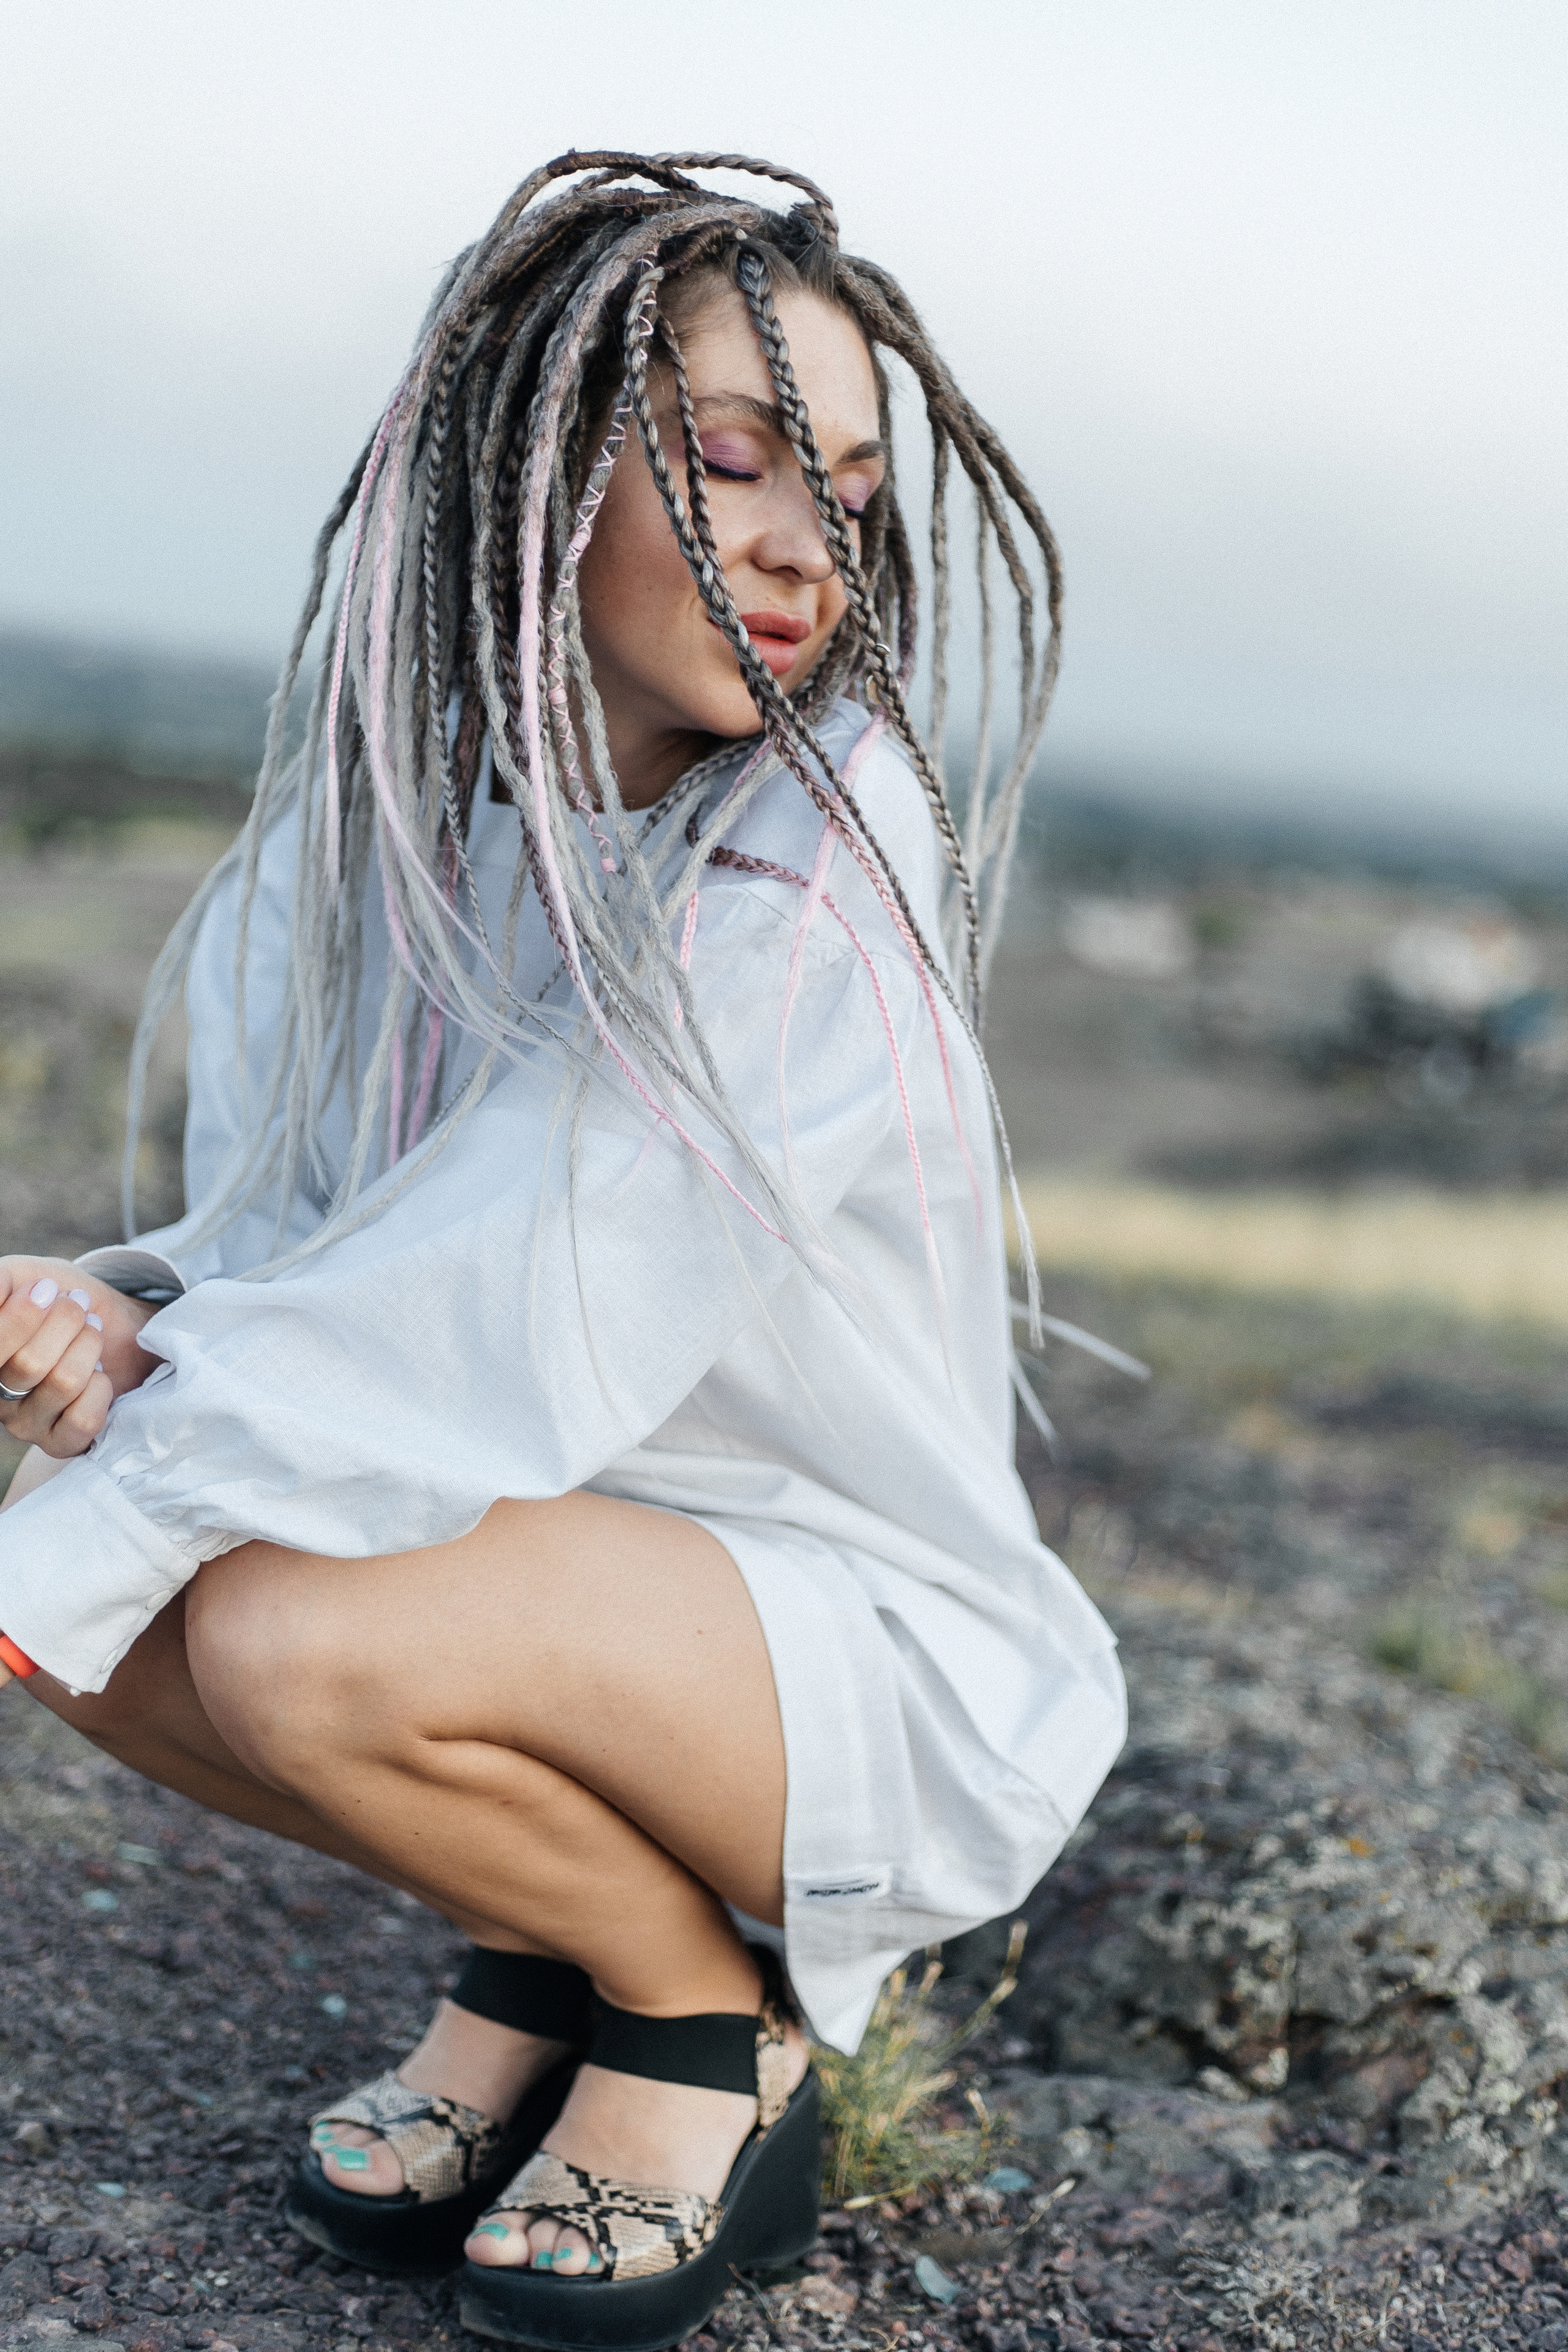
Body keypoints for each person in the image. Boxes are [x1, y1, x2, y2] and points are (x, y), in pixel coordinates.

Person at [0, 152, 1125, 2350]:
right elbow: (319, 1245)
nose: (806, 547)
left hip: (842, 1646)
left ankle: (700, 2018)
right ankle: (549, 1944)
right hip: (544, 1574)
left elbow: (524, 1292)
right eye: (734, 458)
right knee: (111, 1544)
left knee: (275, 1626)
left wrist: (119, 1483)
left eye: (850, 495)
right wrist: (114, 1318)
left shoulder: (822, 850)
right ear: (531, 462)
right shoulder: (387, 823)